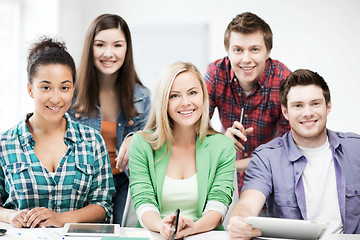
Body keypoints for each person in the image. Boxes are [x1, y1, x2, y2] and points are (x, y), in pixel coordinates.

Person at [227, 69, 360, 239]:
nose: (307, 113)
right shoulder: (266, 158)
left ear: (328, 107)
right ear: (285, 112)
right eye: (298, 105)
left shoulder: (356, 148)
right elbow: (247, 204)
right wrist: (239, 221)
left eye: (315, 103)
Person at [0, 37, 115, 228]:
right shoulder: (5, 143)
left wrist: (62, 218)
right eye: (46, 87)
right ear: (30, 90)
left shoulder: (92, 141)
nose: (56, 98)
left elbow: (103, 205)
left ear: (73, 89)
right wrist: (9, 216)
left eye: (64, 88)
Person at [128, 62, 236, 239]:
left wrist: (192, 228)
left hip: (204, 235)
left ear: (203, 96)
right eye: (174, 96)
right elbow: (143, 200)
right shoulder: (141, 144)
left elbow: (218, 204)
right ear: (164, 101)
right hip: (155, 235)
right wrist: (161, 226)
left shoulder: (223, 146)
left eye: (192, 93)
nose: (186, 102)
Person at [68, 14, 151, 224]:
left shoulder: (141, 97)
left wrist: (137, 137)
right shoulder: (71, 94)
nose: (108, 53)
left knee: (125, 233)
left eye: (117, 45)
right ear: (90, 48)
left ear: (126, 49)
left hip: (125, 182)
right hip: (85, 186)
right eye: (100, 45)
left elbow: (153, 142)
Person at [205, 12, 291, 191]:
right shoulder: (216, 73)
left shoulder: (284, 80)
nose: (246, 59)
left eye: (254, 49)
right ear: (228, 51)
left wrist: (232, 166)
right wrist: (219, 142)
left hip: (271, 175)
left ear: (267, 52)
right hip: (226, 179)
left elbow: (289, 146)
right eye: (238, 50)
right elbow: (193, 126)